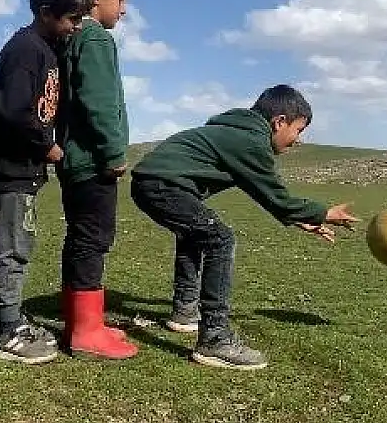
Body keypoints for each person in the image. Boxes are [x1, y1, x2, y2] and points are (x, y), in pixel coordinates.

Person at [129, 85, 359, 370]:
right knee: (219, 239)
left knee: (196, 234)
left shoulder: (238, 132)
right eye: (298, 130)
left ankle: (185, 310)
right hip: (162, 186)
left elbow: (263, 194)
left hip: (153, 182)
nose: (298, 140)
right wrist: (323, 213)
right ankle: (215, 338)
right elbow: (276, 195)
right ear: (279, 122)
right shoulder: (251, 141)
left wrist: (302, 218)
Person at [0, 0, 92, 365]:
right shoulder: (27, 50)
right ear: (44, 11)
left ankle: (11, 317)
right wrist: (47, 147)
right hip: (10, 168)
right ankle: (6, 330)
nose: (76, 27)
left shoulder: (45, 50)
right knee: (14, 247)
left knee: (20, 243)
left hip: (21, 168)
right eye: (72, 19)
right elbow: (14, 112)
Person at [55, 0, 138, 360]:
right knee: (93, 239)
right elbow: (100, 102)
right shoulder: (96, 40)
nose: (122, 9)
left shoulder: (72, 37)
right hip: (92, 160)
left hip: (74, 160)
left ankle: (80, 321)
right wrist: (113, 152)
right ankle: (86, 332)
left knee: (80, 238)